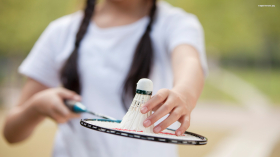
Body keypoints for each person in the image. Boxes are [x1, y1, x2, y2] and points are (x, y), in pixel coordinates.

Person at [3, 0, 207, 156]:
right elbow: (11, 133)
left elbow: (189, 61)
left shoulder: (176, 23)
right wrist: (36, 108)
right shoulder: (61, 32)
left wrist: (184, 94)